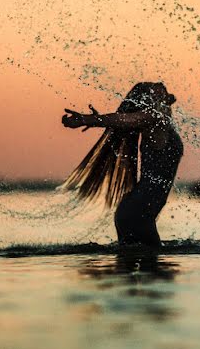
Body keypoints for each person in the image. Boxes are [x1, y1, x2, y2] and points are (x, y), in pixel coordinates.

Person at [61, 82, 183, 247]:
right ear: (147, 101)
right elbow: (124, 119)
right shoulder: (153, 119)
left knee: (137, 266)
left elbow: (168, 102)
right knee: (153, 266)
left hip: (138, 211)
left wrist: (165, 99)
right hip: (137, 212)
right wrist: (89, 119)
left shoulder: (162, 121)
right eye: (154, 87)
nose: (160, 83)